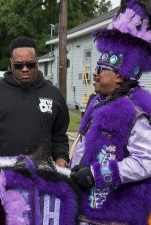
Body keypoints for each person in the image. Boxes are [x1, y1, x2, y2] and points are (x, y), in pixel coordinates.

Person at [69, 1, 151, 224]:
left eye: (101, 70)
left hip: (115, 215)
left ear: (120, 76)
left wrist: (97, 174)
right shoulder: (98, 102)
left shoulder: (134, 111)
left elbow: (146, 162)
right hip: (86, 209)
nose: (95, 74)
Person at [0, 36, 69, 168]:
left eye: (30, 64)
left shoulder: (54, 95)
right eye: (19, 65)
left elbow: (59, 136)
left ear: (37, 62)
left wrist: (61, 157)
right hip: (0, 175)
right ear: (11, 63)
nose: (25, 69)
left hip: (41, 177)